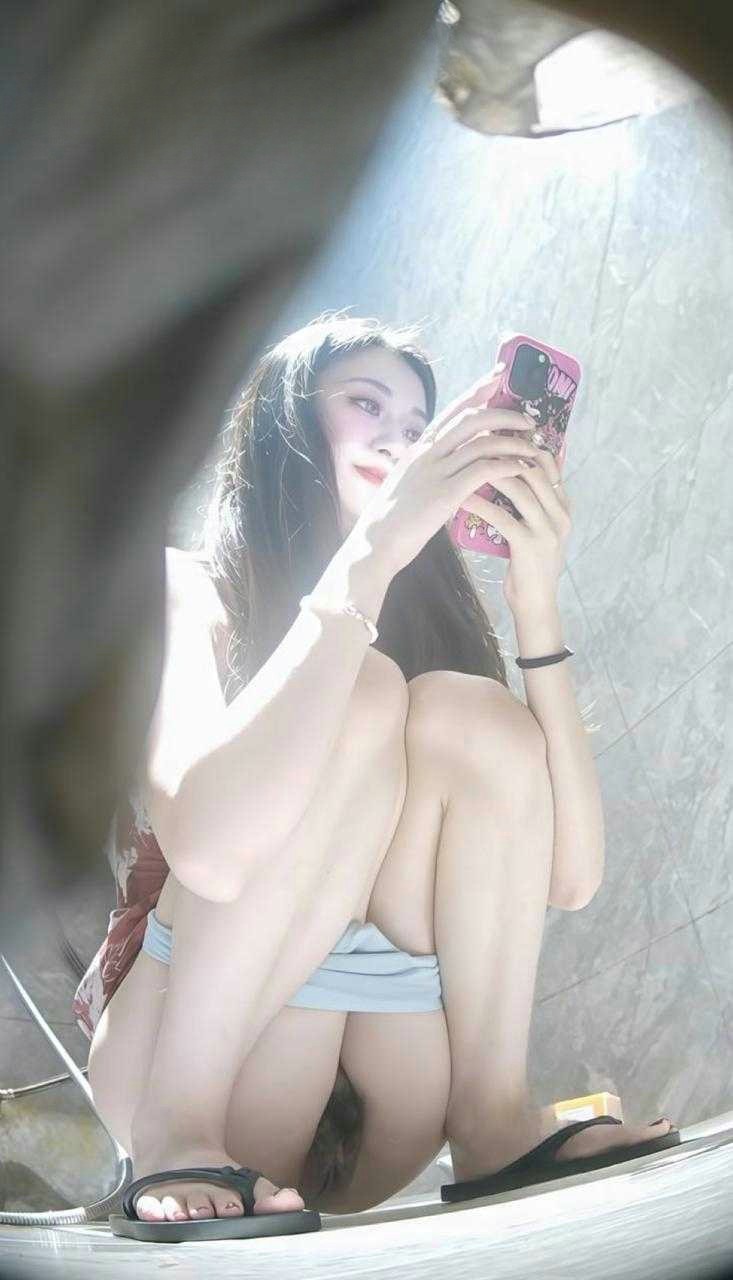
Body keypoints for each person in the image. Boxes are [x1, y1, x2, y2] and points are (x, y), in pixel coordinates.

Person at [75, 314, 677, 1227]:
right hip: (200, 1060)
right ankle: (176, 1136)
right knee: (355, 692)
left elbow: (570, 878)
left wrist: (534, 600)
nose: (400, 437)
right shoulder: (185, 588)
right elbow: (209, 854)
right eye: (366, 404)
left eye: (418, 422)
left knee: (468, 712)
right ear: (285, 424)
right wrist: (368, 560)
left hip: (397, 1092)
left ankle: (492, 1125)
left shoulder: (426, 625)